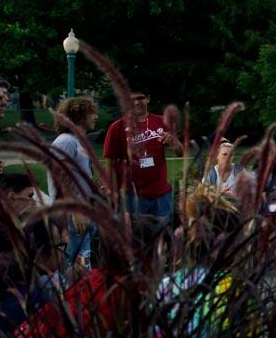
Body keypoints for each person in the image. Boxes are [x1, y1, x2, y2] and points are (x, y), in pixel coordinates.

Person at [103, 88, 179, 219]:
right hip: (133, 196)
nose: (137, 103)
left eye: (140, 98)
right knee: (137, 237)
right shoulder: (117, 127)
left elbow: (180, 152)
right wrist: (112, 191)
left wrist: (173, 141)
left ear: (148, 98)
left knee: (164, 236)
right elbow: (111, 164)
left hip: (161, 194)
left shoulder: (162, 122)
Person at [48, 96, 101, 270]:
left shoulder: (77, 142)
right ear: (79, 116)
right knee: (74, 266)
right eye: (92, 113)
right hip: (71, 215)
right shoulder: (65, 141)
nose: (96, 117)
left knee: (83, 264)